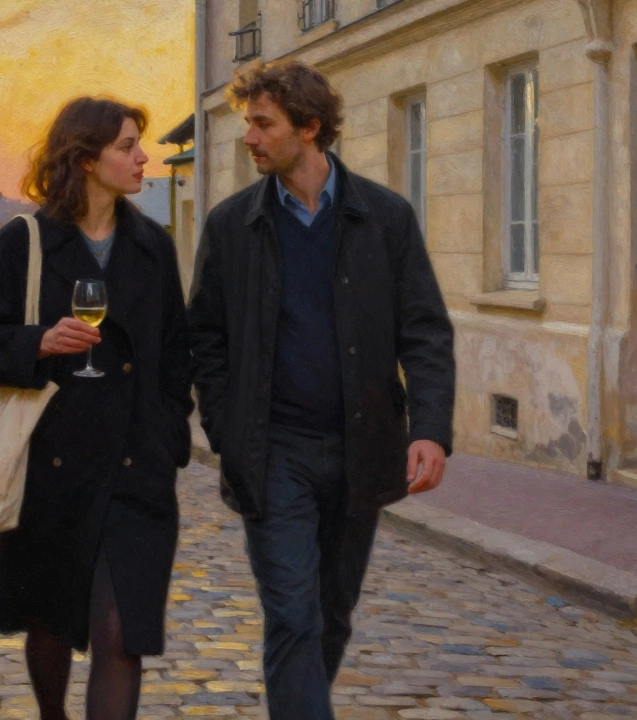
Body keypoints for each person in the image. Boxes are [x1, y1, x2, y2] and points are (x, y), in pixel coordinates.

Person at [186, 61, 456, 720]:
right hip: (274, 453)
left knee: (331, 616)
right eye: (247, 121)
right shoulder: (230, 227)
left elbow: (424, 331)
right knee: (293, 619)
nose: (248, 136)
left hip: (363, 449)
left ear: (309, 128)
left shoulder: (385, 218)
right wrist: (228, 430)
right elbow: (207, 340)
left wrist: (429, 429)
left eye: (261, 123)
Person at [0, 96, 193, 720]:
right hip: (51, 473)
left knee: (121, 635)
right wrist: (38, 341)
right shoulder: (24, 242)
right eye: (126, 146)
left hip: (137, 473)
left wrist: (167, 439)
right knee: (52, 624)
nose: (143, 158)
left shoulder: (153, 247)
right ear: (86, 160)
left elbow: (176, 355)